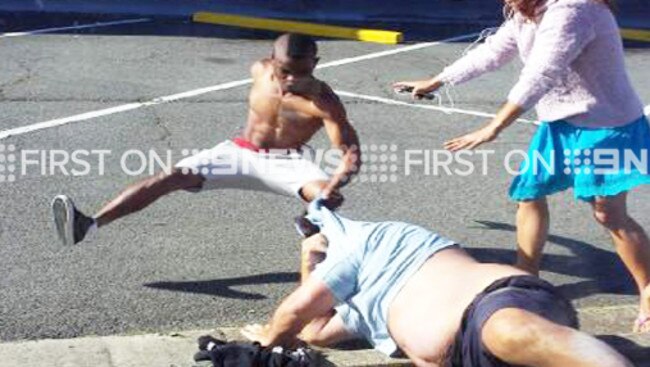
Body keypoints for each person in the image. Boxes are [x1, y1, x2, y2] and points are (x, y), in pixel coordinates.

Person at [393, 0, 650, 332]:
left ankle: (646, 289)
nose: (508, 2)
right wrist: (438, 80)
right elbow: (492, 52)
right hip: (560, 124)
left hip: (606, 126)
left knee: (608, 213)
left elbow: (541, 73)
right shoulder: (525, 12)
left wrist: (493, 127)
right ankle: (527, 278)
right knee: (529, 194)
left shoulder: (573, 10)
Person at [241, 199, 632, 367]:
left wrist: (268, 341)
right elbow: (316, 330)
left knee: (507, 332)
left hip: (495, 306)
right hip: (469, 354)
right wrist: (307, 259)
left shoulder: (367, 242)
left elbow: (294, 312)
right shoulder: (361, 304)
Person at [51, 33, 360, 246]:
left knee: (328, 199)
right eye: (284, 71)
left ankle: (313, 234)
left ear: (315, 65)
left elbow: (349, 154)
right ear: (271, 62)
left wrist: (335, 185)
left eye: (301, 73)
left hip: (287, 162)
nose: (291, 80)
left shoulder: (326, 103)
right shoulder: (260, 71)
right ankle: (88, 225)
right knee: (169, 177)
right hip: (237, 153)